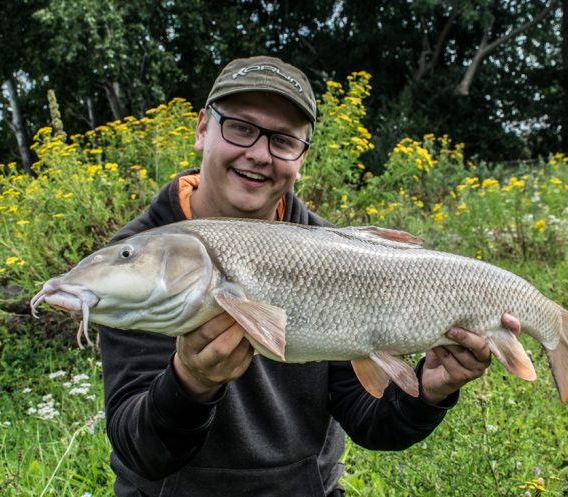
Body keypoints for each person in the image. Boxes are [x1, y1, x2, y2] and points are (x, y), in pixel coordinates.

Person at [99, 55, 521, 497]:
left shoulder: (329, 253)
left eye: (282, 140)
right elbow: (140, 451)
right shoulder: (139, 259)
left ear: (301, 157)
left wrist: (429, 389)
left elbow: (370, 422)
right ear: (203, 129)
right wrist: (190, 383)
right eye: (240, 127)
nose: (259, 154)